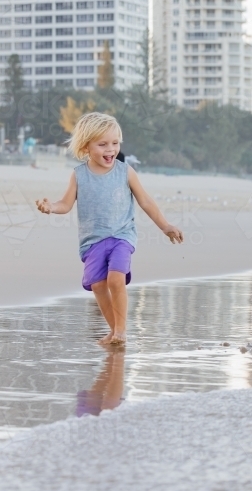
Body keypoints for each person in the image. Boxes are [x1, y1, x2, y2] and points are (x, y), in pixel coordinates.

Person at [36, 112, 184, 345]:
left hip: (121, 236)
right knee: (97, 285)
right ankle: (115, 330)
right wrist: (50, 207)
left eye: (115, 143)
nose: (110, 149)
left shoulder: (125, 172)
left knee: (116, 279)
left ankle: (121, 331)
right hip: (92, 241)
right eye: (102, 144)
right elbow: (65, 204)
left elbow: (145, 201)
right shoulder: (79, 175)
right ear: (86, 146)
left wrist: (165, 226)